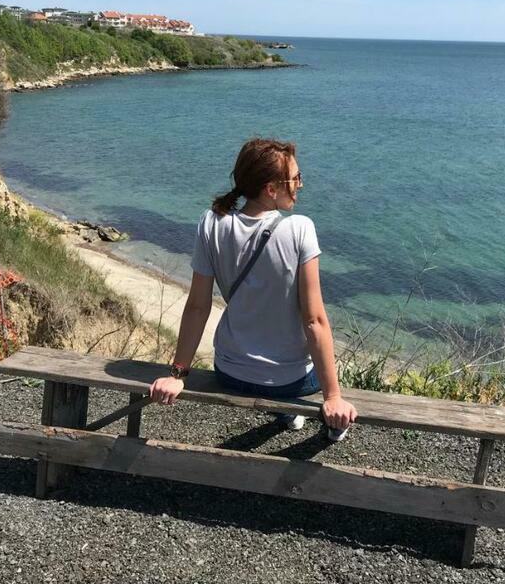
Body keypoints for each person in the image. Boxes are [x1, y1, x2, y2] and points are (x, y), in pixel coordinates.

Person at [148, 137, 357, 441]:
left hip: (230, 372)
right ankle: (328, 424)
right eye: (295, 178)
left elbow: (197, 306)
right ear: (271, 189)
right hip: (288, 380)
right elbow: (314, 320)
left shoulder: (211, 223)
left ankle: (287, 413)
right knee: (317, 377)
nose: (300, 184)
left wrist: (177, 374)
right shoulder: (300, 229)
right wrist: (334, 397)